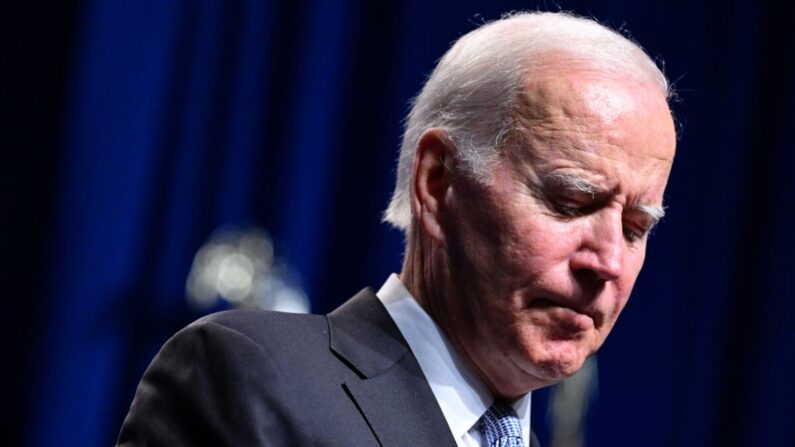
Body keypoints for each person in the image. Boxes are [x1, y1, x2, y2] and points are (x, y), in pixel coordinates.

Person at [117, 11, 676, 447]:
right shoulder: (255, 378)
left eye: (634, 228)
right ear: (437, 183)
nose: (606, 263)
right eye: (571, 199)